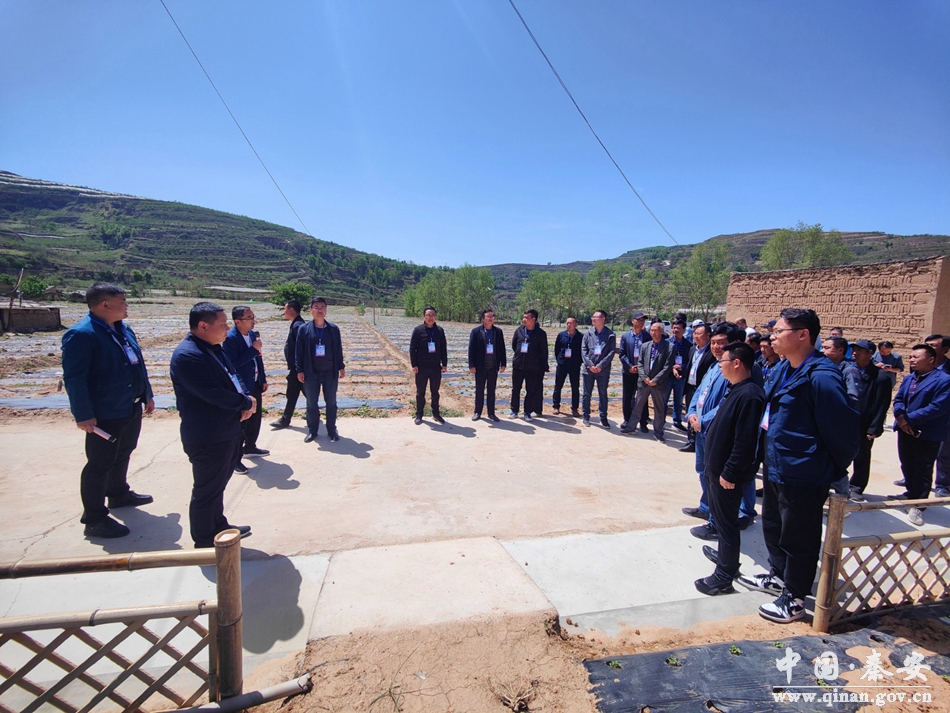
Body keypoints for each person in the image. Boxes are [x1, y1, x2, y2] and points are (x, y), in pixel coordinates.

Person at [738, 308, 859, 623]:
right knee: (774, 526)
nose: (772, 337)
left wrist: (829, 469)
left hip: (804, 472)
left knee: (799, 536)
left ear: (803, 335)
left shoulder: (821, 376)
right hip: (777, 466)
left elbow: (844, 433)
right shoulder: (782, 369)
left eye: (779, 331)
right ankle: (779, 576)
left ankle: (794, 597)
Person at [62, 282, 155, 539]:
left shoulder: (123, 329)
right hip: (105, 411)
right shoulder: (82, 334)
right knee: (99, 464)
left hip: (129, 405)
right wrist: (83, 414)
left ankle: (118, 493)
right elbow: (75, 379)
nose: (127, 306)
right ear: (105, 304)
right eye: (122, 301)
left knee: (124, 450)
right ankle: (94, 519)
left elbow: (137, 364)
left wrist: (147, 393)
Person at [170, 302, 254, 548]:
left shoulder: (214, 348)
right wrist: (244, 402)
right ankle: (205, 540)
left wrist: (245, 398)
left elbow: (234, 376)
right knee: (207, 490)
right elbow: (212, 393)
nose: (227, 328)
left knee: (218, 486)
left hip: (226, 430)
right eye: (223, 324)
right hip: (208, 435)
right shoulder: (188, 355)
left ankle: (219, 526)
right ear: (203, 326)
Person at [694, 342, 766, 596]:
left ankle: (724, 576)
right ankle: (726, 557)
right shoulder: (736, 390)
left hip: (727, 474)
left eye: (723, 361)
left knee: (726, 524)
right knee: (721, 519)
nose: (720, 366)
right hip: (717, 470)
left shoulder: (750, 396)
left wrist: (730, 472)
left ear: (736, 363)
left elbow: (745, 441)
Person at [683, 322, 760, 537]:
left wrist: (704, 420)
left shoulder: (745, 370)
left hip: (720, 432)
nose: (716, 347)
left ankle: (741, 513)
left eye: (721, 343)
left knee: (731, 477)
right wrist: (691, 413)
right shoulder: (714, 366)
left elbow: (728, 403)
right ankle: (707, 507)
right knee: (705, 471)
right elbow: (700, 392)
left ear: (734, 344)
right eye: (714, 343)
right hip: (702, 429)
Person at [890, 344, 950, 526]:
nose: (912, 360)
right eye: (911, 357)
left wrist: (908, 419)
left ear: (931, 359)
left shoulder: (944, 380)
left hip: (926, 432)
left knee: (923, 468)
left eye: (916, 357)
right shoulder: (909, 378)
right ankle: (910, 493)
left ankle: (919, 504)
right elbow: (899, 399)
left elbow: (937, 407)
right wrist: (901, 417)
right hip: (905, 430)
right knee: (907, 463)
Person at [223, 306, 269, 474]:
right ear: (238, 321)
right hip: (242, 387)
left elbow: (258, 359)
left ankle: (250, 446)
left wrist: (262, 378)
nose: (253, 321)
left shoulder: (251, 335)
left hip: (255, 382)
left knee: (255, 418)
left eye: (253, 317)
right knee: (242, 422)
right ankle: (235, 460)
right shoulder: (230, 339)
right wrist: (252, 350)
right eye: (249, 318)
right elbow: (233, 364)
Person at [846, 339, 893, 502]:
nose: (855, 353)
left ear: (870, 353)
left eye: (859, 350)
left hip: (864, 423)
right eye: (854, 350)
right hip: (847, 421)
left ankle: (857, 486)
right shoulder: (849, 370)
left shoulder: (880, 377)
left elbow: (881, 405)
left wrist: (874, 427)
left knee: (862, 456)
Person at [295, 297, 345, 442]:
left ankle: (332, 430)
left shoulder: (333, 329)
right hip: (311, 373)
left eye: (322, 307)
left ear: (326, 310)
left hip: (330, 372)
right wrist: (299, 370)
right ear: (311, 310)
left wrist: (341, 366)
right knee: (311, 404)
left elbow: (338, 349)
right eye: (316, 307)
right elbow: (298, 351)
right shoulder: (304, 329)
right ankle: (312, 431)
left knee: (331, 403)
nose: (319, 310)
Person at [630, 322, 675, 441]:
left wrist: (655, 380)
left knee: (659, 409)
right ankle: (630, 428)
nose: (653, 333)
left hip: (658, 384)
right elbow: (640, 363)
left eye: (656, 330)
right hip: (644, 382)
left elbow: (667, 367)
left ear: (662, 331)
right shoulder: (645, 346)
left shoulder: (669, 347)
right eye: (651, 330)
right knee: (638, 406)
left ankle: (658, 432)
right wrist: (644, 377)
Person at [678, 322, 714, 453]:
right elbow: (690, 366)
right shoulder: (693, 349)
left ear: (708, 335)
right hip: (690, 387)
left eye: (699, 334)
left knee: (701, 414)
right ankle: (691, 441)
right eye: (695, 333)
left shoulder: (711, 352)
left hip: (703, 389)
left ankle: (701, 440)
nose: (696, 336)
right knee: (691, 412)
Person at [409, 306, 448, 425]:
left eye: (433, 315)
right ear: (424, 317)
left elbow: (443, 348)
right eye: (428, 315)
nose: (430, 318)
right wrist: (414, 364)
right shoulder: (418, 330)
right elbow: (412, 349)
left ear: (435, 317)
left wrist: (444, 364)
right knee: (420, 392)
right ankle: (419, 414)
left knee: (435, 392)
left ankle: (436, 414)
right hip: (421, 367)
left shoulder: (440, 331)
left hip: (435, 367)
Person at [271, 300, 306, 430]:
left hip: (297, 368)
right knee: (305, 391)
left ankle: (285, 419)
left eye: (285, 309)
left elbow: (300, 349)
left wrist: (299, 368)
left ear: (291, 310)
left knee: (292, 393)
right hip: (297, 367)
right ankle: (313, 412)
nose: (284, 312)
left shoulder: (298, 326)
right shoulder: (296, 324)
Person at [510, 309, 549, 421]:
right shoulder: (519, 330)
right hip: (518, 365)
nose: (524, 320)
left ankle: (527, 412)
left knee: (531, 390)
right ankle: (514, 410)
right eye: (524, 317)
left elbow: (543, 351)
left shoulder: (541, 334)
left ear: (533, 319)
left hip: (532, 367)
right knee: (515, 389)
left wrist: (543, 365)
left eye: (526, 318)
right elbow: (514, 345)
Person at [468, 308, 506, 421]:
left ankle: (491, 413)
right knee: (479, 390)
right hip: (480, 367)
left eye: (492, 316)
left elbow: (502, 348)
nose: (490, 318)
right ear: (483, 319)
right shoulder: (476, 332)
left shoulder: (498, 332)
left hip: (493, 366)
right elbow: (471, 349)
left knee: (491, 391)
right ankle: (477, 412)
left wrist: (503, 363)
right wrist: (471, 365)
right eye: (488, 316)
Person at [581, 310, 616, 428]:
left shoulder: (610, 334)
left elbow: (611, 352)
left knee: (603, 394)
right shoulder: (588, 333)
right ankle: (586, 416)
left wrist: (600, 366)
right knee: (586, 394)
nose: (593, 319)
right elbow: (583, 351)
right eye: (593, 317)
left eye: (595, 317)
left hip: (603, 371)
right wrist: (590, 365)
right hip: (588, 370)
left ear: (603, 319)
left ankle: (603, 417)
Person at [619, 312, 650, 432]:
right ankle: (627, 419)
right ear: (633, 321)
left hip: (642, 373)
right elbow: (622, 354)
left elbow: (649, 354)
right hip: (629, 372)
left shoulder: (647, 336)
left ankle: (643, 422)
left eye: (643, 320)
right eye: (639, 320)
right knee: (627, 397)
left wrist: (641, 368)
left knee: (643, 398)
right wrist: (630, 366)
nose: (641, 322)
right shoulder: (625, 336)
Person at [927, 335, 950, 497]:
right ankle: (913, 479)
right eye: (927, 344)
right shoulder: (922, 367)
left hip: (944, 417)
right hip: (922, 417)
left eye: (933, 345)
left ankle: (942, 484)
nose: (928, 347)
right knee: (919, 451)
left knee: (943, 452)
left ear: (945, 350)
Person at [668, 319, 694, 431]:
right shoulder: (667, 343)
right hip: (667, 376)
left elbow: (690, 360)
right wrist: (672, 367)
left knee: (678, 401)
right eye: (674, 328)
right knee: (663, 400)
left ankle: (677, 421)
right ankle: (660, 421)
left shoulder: (689, 345)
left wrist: (681, 367)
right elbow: (663, 359)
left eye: (678, 328)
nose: (675, 330)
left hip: (681, 377)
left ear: (684, 330)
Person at [553, 316, 582, 416]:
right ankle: (556, 406)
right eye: (567, 323)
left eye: (571, 323)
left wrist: (579, 362)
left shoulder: (580, 336)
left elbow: (583, 351)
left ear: (576, 324)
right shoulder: (561, 335)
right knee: (558, 386)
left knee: (575, 387)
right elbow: (557, 349)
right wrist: (559, 360)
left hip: (574, 365)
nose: (569, 325)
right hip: (562, 365)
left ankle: (575, 408)